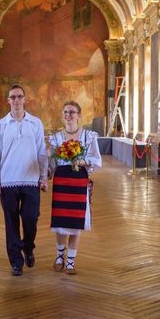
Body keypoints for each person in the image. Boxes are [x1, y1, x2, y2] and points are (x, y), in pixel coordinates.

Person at [0, 84, 48, 276]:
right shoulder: (1, 126)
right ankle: (16, 261)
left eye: (19, 97)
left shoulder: (36, 123)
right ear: (8, 100)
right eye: (13, 97)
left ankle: (28, 247)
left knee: (31, 218)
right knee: (11, 222)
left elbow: (42, 152)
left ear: (25, 99)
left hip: (31, 179)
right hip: (8, 180)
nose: (16, 100)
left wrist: (43, 177)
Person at [47, 101, 101, 274]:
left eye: (72, 112)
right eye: (65, 112)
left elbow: (97, 160)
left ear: (79, 115)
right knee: (61, 222)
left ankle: (70, 261)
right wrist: (45, 172)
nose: (68, 115)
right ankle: (59, 255)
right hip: (61, 181)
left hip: (79, 180)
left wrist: (82, 161)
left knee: (76, 222)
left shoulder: (88, 136)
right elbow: (52, 164)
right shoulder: (55, 138)